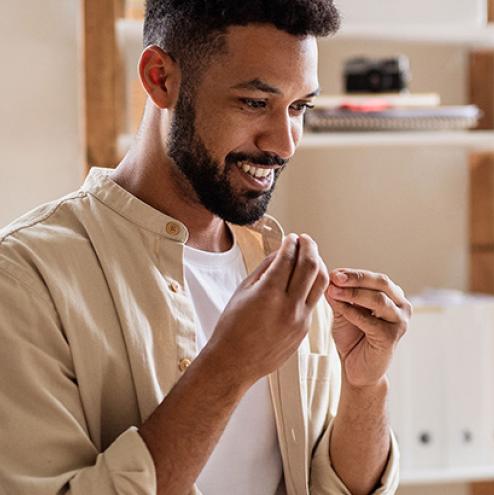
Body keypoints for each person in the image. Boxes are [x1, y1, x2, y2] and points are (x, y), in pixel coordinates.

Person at [0, 1, 411, 494]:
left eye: (299, 107)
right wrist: (229, 367)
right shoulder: (26, 280)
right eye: (255, 103)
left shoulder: (284, 276)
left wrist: (365, 388)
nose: (284, 143)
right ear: (160, 78)